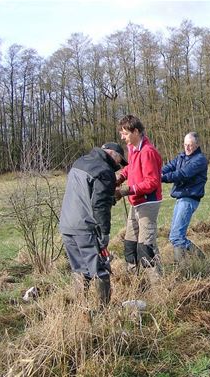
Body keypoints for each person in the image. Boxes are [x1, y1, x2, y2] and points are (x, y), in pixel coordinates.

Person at [59, 142, 127, 306]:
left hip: (66, 225)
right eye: (119, 160)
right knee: (100, 270)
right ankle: (104, 311)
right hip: (85, 228)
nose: (119, 165)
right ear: (112, 154)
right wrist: (104, 232)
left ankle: (80, 308)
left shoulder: (80, 161)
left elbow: (87, 194)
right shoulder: (104, 171)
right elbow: (100, 205)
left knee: (80, 270)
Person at [115, 115, 163, 278]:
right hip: (136, 203)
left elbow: (152, 182)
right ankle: (134, 282)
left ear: (135, 131)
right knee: (130, 244)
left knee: (146, 247)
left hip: (148, 203)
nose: (122, 137)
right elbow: (130, 169)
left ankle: (157, 287)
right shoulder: (133, 149)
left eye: (125, 133)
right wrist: (120, 177)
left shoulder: (147, 152)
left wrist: (126, 191)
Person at [162, 132, 208, 263]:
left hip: (189, 199)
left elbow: (182, 174)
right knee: (174, 236)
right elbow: (169, 166)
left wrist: (161, 178)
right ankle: (182, 265)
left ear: (197, 145)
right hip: (181, 198)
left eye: (190, 145)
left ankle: (199, 260)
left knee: (177, 236)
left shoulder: (200, 160)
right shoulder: (181, 156)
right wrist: (156, 172)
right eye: (185, 144)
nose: (187, 148)